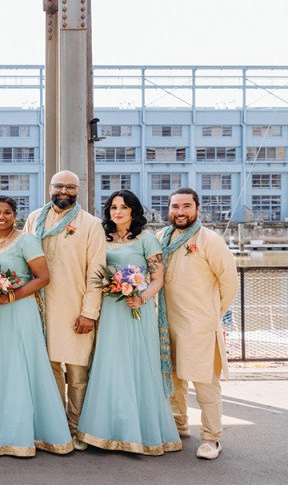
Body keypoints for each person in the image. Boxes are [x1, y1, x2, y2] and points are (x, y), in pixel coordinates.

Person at [76, 190, 181, 455]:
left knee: (136, 365)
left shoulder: (146, 239)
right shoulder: (101, 237)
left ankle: (139, 432)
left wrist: (141, 297)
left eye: (123, 207)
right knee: (109, 364)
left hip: (136, 310)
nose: (118, 212)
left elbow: (158, 278)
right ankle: (104, 432)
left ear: (133, 210)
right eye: (113, 207)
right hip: (111, 309)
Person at [0, 196, 73, 457]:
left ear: (15, 215)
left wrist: (11, 295)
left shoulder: (26, 240)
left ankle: (27, 433)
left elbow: (43, 277)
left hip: (20, 311)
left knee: (20, 365)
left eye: (6, 212)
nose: (1, 216)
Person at [23, 170, 106, 449]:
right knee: (48, 370)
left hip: (74, 308)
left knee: (78, 371)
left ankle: (77, 426)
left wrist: (89, 312)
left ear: (78, 191)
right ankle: (55, 426)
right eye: (59, 186)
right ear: (49, 188)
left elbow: (97, 271)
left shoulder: (91, 224)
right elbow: (22, 258)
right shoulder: (35, 219)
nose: (63, 191)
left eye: (70, 187)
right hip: (39, 307)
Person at [159, 187, 237, 460]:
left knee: (205, 384)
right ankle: (179, 426)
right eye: (175, 207)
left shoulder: (210, 240)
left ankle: (211, 438)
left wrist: (211, 314)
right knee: (173, 380)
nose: (180, 212)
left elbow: (229, 282)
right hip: (166, 323)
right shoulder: (162, 237)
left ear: (197, 209)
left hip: (199, 325)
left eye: (186, 207)